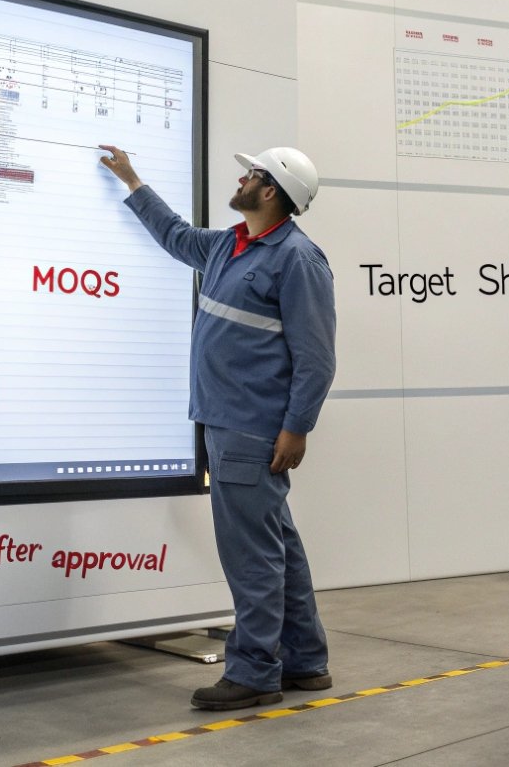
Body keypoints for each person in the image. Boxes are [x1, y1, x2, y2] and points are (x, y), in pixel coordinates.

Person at [99, 144, 337, 712]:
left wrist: (297, 428)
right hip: (227, 422)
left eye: (252, 174)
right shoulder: (229, 245)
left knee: (251, 555)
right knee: (279, 545)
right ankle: (305, 661)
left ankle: (255, 671)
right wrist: (133, 179)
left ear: (271, 191)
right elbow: (176, 235)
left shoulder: (297, 261)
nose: (242, 177)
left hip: (250, 430)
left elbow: (317, 358)